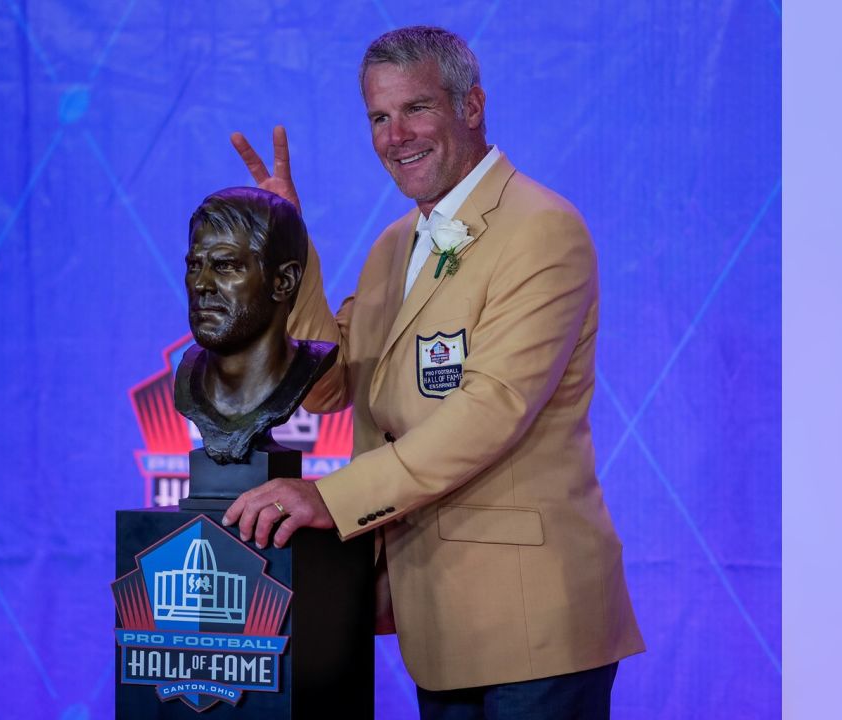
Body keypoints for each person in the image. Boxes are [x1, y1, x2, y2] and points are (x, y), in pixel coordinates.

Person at [222, 26, 644, 719]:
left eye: (415, 109)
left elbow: (490, 411)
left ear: (471, 106)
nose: (395, 136)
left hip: (534, 625)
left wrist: (334, 497)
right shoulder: (394, 246)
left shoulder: (541, 229)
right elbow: (328, 387)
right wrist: (285, 246)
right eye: (379, 118)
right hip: (437, 623)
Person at [177, 187, 336, 465]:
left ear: (283, 281)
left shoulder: (309, 365)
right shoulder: (189, 375)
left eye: (225, 266)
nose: (201, 284)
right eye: (194, 266)